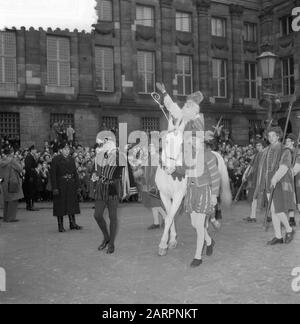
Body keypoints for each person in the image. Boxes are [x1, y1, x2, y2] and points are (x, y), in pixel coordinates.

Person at [255, 127, 296, 245]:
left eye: (274, 135)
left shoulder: (285, 150)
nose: (271, 138)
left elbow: (285, 166)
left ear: (278, 136)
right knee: (273, 210)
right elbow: (264, 168)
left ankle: (289, 229)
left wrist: (276, 177)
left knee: (278, 210)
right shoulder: (267, 150)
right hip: (268, 183)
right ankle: (278, 236)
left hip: (279, 183)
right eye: (269, 136)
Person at [92, 137, 125, 254]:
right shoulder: (100, 155)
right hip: (101, 187)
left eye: (107, 143)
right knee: (97, 215)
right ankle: (106, 237)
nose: (104, 145)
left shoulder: (119, 157)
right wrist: (95, 176)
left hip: (113, 189)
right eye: (104, 144)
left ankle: (111, 243)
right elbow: (95, 170)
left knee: (113, 217)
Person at [51, 142, 82, 233]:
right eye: (65, 149)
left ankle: (72, 223)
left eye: (68, 149)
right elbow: (53, 175)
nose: (67, 151)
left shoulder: (71, 159)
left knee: (71, 204)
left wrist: (78, 185)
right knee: (60, 205)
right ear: (61, 150)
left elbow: (75, 173)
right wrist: (55, 188)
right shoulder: (56, 159)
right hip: (61, 185)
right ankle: (60, 225)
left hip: (71, 184)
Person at [243, 139, 265, 223]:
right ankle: (253, 216)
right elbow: (251, 166)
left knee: (266, 197)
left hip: (262, 178)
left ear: (263, 146)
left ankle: (269, 215)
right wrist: (246, 174)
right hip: (255, 178)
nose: (258, 147)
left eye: (259, 145)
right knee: (254, 197)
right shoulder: (257, 155)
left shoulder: (263, 154)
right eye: (257, 145)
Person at [0, 147, 24, 222]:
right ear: (11, 153)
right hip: (12, 182)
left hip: (4, 182)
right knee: (13, 201)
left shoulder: (1, 161)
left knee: (6, 201)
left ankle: (6, 217)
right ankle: (11, 218)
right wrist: (20, 162)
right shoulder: (12, 160)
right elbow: (20, 168)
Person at [285, 133, 299, 227]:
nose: (286, 142)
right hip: (289, 178)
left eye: (288, 141)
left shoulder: (298, 152)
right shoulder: (286, 152)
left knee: (298, 199)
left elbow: (297, 167)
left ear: (293, 142)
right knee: (290, 198)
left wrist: (291, 172)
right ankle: (291, 218)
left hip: (297, 178)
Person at [23, 145, 39, 211]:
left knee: (32, 191)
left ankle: (30, 205)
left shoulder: (32, 156)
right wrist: (31, 176)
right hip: (30, 177)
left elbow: (34, 165)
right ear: (32, 150)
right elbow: (28, 167)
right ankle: (30, 206)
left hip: (31, 176)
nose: (36, 151)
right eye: (35, 150)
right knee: (30, 191)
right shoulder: (29, 157)